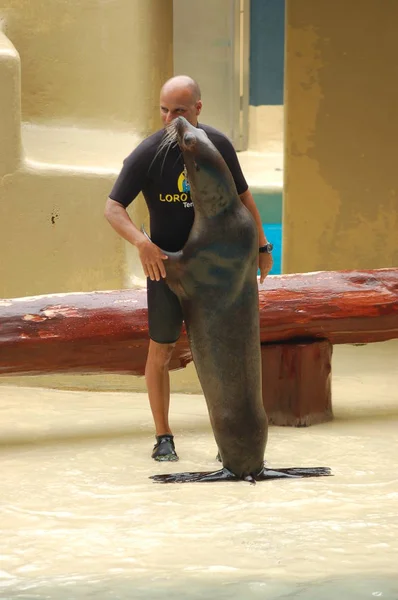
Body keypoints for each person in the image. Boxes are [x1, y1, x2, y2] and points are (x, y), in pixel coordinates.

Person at [104, 75, 273, 462]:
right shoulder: (148, 154)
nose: (169, 120)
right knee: (161, 349)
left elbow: (243, 198)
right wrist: (141, 243)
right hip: (168, 267)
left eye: (179, 111)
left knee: (229, 353)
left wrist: (262, 246)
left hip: (215, 273)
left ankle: (230, 442)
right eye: (164, 110)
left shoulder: (215, 147)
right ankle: (163, 435)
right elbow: (112, 208)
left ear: (198, 108)